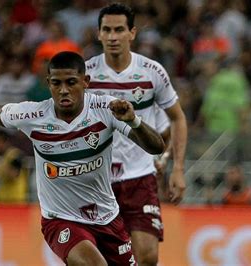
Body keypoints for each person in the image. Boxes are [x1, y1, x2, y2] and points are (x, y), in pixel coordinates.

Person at [0, 51, 165, 265]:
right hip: (61, 219)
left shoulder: (105, 109)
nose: (63, 90)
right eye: (56, 83)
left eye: (71, 82)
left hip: (107, 217)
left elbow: (156, 147)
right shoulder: (33, 115)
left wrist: (134, 120)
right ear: (48, 83)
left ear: (85, 81)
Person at [85, 3, 188, 265]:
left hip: (140, 176)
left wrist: (177, 168)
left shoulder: (152, 72)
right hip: (98, 180)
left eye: (119, 29)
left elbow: (177, 118)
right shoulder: (85, 76)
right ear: (98, 34)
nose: (112, 36)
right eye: (106, 30)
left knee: (148, 257)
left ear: (132, 33)